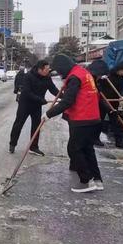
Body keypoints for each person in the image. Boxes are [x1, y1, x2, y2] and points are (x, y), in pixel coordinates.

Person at [44, 54, 108, 193]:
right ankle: (97, 180)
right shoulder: (83, 73)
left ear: (63, 67)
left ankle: (86, 181)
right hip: (93, 117)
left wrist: (48, 114)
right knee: (87, 149)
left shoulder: (75, 77)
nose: (60, 73)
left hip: (82, 118)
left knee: (74, 149)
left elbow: (68, 101)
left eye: (60, 70)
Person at [9, 60, 59, 156]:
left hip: (36, 105)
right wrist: (41, 100)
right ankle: (12, 144)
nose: (48, 71)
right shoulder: (28, 76)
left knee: (36, 126)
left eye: (49, 69)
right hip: (25, 104)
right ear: (40, 69)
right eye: (46, 69)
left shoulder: (47, 78)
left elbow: (53, 89)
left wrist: (64, 96)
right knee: (19, 124)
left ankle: (33, 147)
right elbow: (27, 93)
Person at [99, 62, 123, 149]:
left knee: (115, 122)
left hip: (114, 101)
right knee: (100, 120)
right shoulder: (107, 75)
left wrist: (122, 96)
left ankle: (119, 141)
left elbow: (121, 89)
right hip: (104, 101)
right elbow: (99, 87)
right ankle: (95, 138)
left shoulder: (121, 78)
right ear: (119, 68)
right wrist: (101, 79)